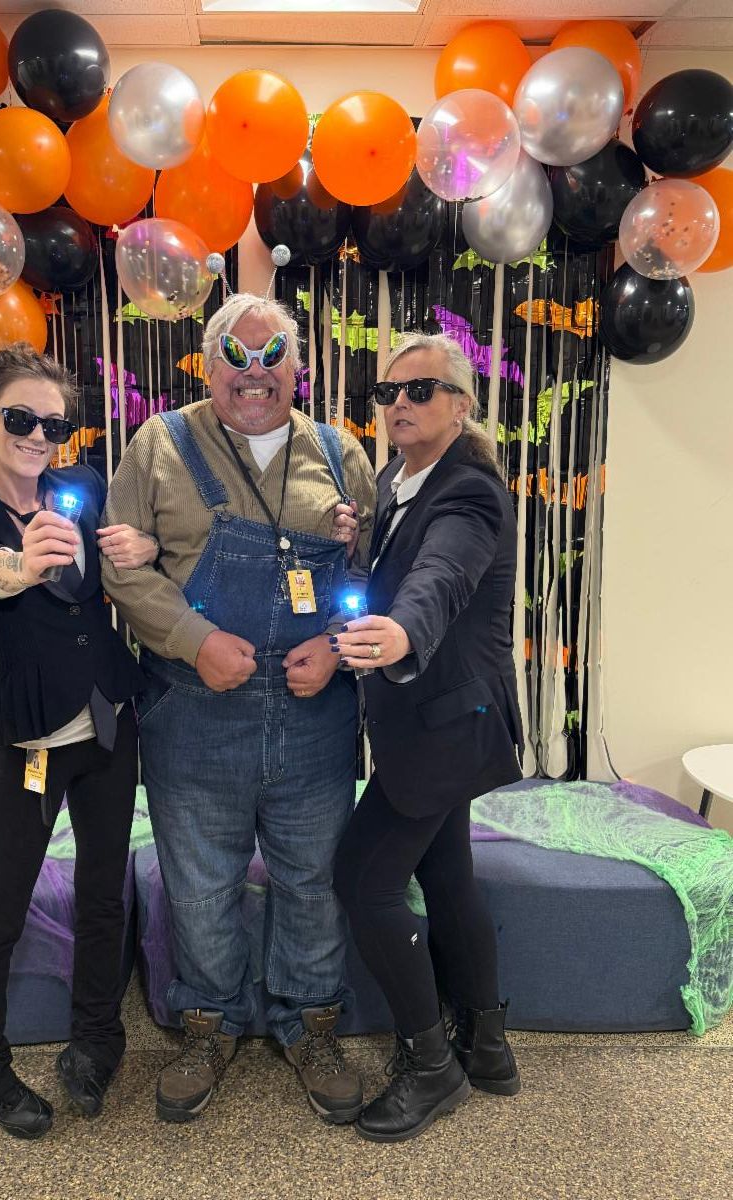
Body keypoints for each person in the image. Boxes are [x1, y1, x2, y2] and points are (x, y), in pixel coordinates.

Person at [102, 293, 377, 1125]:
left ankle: (310, 1025)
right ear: (207, 362)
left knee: (313, 882)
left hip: (314, 713)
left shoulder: (341, 452)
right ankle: (209, 1025)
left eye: (272, 355)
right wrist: (193, 639)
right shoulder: (157, 444)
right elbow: (120, 566)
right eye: (236, 355)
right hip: (192, 712)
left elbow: (377, 573)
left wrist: (336, 645)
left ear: (300, 367)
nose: (254, 373)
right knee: (198, 886)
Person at [0, 344, 157, 1139]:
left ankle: (98, 1039)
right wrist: (16, 566)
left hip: (109, 721)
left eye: (54, 425)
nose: (37, 436)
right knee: (4, 903)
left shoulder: (81, 487)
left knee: (103, 893)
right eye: (21, 418)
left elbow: (123, 562)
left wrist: (141, 550)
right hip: (31, 742)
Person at [331, 332, 524, 1143]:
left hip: (446, 728)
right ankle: (488, 1048)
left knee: (362, 879)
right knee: (446, 874)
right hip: (437, 722)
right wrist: (357, 546)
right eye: (388, 393)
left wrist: (404, 632)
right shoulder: (394, 480)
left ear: (461, 404)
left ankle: (432, 1063)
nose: (400, 404)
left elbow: (440, 575)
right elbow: (397, 566)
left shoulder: (470, 490)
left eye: (420, 390)